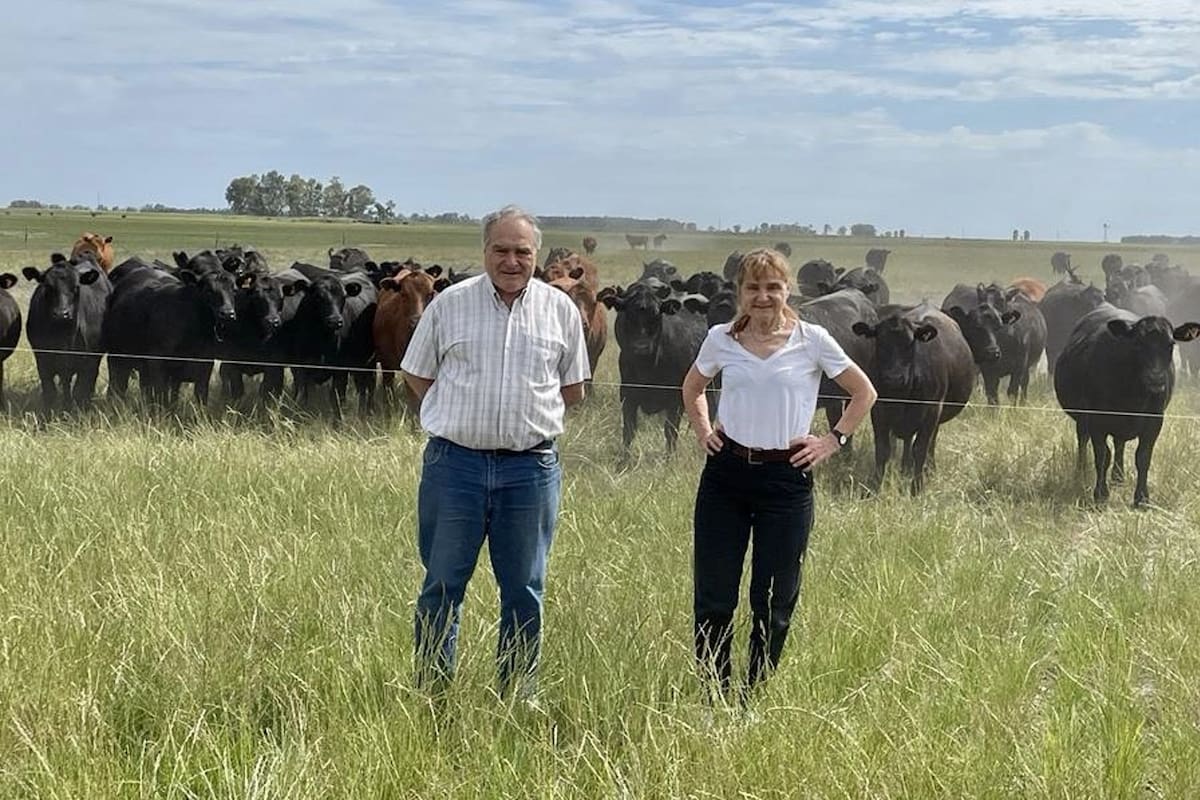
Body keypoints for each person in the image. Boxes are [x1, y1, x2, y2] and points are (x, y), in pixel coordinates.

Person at [400, 205, 591, 697]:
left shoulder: (560, 310)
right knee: (442, 584)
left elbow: (573, 388)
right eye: (501, 250)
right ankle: (432, 693)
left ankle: (517, 695)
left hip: (530, 469)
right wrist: (464, 418)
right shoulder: (449, 304)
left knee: (525, 589)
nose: (512, 261)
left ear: (536, 255)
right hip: (455, 466)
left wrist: (519, 419)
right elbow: (417, 374)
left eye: (522, 251)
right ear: (484, 251)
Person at [681, 247, 877, 699]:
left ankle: (755, 692)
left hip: (786, 481)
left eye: (773, 287)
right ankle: (714, 691)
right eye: (753, 287)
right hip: (726, 475)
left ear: (788, 290)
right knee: (714, 594)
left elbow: (863, 392)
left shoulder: (812, 339)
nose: (763, 296)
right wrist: (703, 429)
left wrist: (833, 440)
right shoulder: (720, 338)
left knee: (773, 598)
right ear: (739, 292)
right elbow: (693, 386)